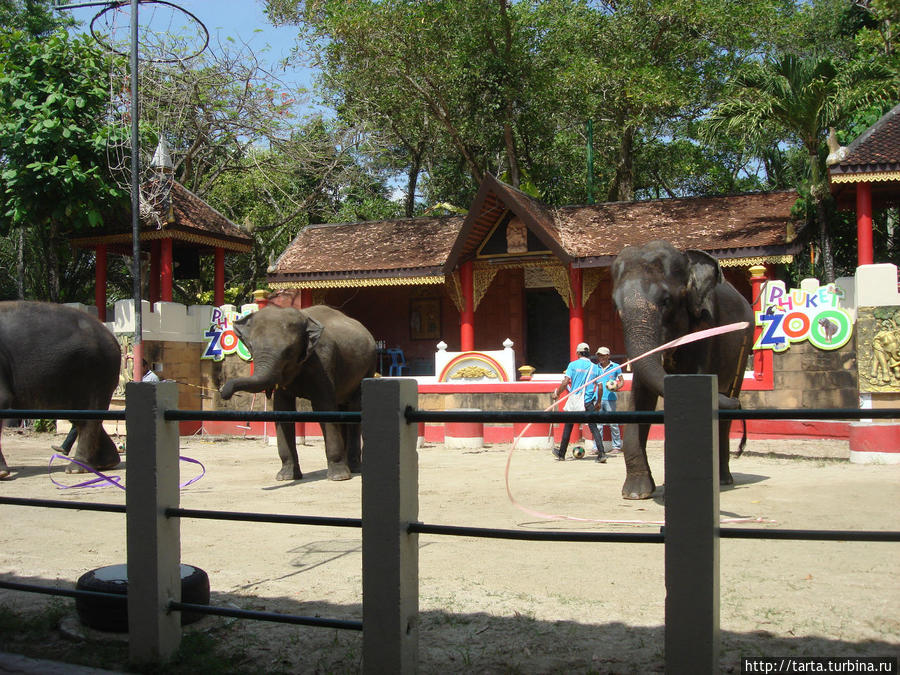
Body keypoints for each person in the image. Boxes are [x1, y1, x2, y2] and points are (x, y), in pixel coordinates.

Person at [551, 342, 606, 463]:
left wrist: (557, 393)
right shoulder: (596, 368)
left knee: (568, 427)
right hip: (588, 402)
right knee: (594, 428)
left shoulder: (573, 365)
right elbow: (600, 387)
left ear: (578, 353)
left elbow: (565, 382)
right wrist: (598, 402)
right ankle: (601, 454)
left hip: (575, 401)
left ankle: (561, 454)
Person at [595, 346, 624, 454]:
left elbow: (621, 381)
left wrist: (616, 387)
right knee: (598, 424)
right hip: (597, 398)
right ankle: (597, 447)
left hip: (610, 398)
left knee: (613, 423)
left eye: (603, 355)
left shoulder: (616, 367)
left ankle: (616, 446)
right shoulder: (595, 368)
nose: (600, 357)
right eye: (599, 355)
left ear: (608, 356)